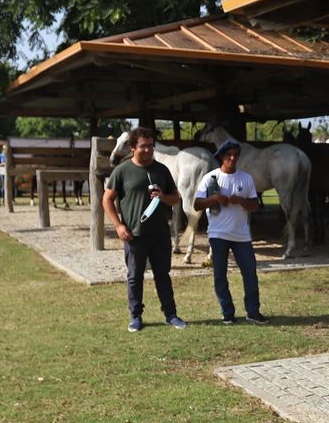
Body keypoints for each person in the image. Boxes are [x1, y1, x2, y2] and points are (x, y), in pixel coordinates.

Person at [102, 126, 185, 331]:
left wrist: (163, 197)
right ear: (132, 147)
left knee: (162, 275)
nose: (148, 150)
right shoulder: (122, 171)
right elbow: (107, 199)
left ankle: (171, 315)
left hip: (160, 235)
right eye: (143, 146)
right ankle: (136, 316)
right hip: (134, 235)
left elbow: (176, 198)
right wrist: (118, 226)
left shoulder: (161, 170)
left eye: (150, 146)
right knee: (134, 277)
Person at [195, 139, 268, 325]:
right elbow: (197, 204)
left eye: (235, 155)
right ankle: (227, 312)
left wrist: (241, 201)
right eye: (229, 155)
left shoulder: (246, 178)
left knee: (250, 273)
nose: (233, 158)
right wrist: (215, 198)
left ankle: (253, 311)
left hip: (242, 235)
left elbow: (255, 205)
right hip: (218, 234)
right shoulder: (210, 178)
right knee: (220, 275)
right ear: (221, 157)